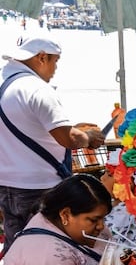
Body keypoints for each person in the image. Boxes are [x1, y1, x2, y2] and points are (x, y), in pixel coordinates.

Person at [0, 38, 106, 249]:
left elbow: (30, 129)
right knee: (49, 248)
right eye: (55, 61)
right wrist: (89, 137)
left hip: (7, 185)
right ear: (41, 57)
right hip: (39, 188)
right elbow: (68, 138)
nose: (55, 69)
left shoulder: (6, 87)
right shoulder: (37, 89)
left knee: (17, 248)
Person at [2, 174, 110, 265]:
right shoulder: (48, 254)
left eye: (103, 218)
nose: (101, 226)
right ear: (65, 214)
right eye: (93, 219)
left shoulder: (63, 225)